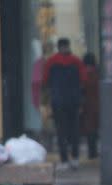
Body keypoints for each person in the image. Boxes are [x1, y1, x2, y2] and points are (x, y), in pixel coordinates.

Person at [43, 38, 86, 170]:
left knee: (61, 130)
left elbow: (45, 81)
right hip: (73, 101)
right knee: (74, 130)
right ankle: (75, 158)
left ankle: (65, 160)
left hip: (58, 101)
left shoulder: (51, 62)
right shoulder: (77, 62)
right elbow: (83, 80)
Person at [81, 53, 100, 159]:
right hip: (98, 104)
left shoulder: (84, 73)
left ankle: (92, 152)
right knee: (96, 129)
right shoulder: (98, 73)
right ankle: (95, 152)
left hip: (88, 105)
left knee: (90, 130)